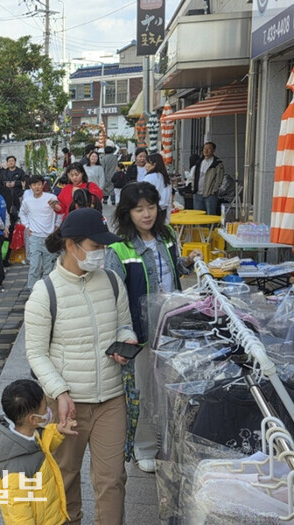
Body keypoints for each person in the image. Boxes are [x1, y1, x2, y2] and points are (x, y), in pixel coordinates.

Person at [25, 207, 137, 525]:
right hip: (67, 405)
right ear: (71, 245)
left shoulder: (112, 282)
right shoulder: (44, 293)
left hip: (111, 399)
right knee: (65, 477)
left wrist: (126, 341)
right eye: (95, 246)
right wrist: (60, 393)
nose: (102, 252)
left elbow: (124, 325)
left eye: (104, 246)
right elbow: (36, 353)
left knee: (112, 479)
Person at [105, 182, 201, 473]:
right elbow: (114, 295)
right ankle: (144, 447)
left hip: (172, 326)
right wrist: (122, 333)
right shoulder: (119, 248)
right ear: (127, 213)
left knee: (171, 389)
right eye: (139, 209)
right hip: (141, 334)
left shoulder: (166, 236)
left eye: (150, 207)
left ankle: (170, 444)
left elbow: (171, 270)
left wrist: (188, 262)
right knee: (144, 392)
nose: (146, 214)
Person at [0, 379, 77, 525]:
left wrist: (58, 430)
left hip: (53, 518)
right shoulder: (15, 471)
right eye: (45, 407)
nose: (48, 410)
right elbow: (20, 518)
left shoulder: (29, 436)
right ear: (33, 419)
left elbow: (44, 442)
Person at [18, 174, 59, 290]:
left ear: (43, 185)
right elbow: (22, 213)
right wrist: (27, 226)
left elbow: (60, 212)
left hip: (49, 237)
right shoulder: (27, 201)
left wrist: (56, 226)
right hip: (35, 237)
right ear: (30, 186)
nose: (37, 187)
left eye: (39, 184)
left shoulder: (51, 198)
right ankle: (33, 290)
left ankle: (47, 290)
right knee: (34, 266)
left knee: (49, 266)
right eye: (34, 185)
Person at [190, 142, 225, 216]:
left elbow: (219, 179)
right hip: (197, 194)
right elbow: (194, 177)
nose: (206, 150)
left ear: (213, 150)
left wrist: (214, 191)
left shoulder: (217, 164)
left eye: (209, 149)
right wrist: (193, 188)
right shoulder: (199, 162)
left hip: (210, 195)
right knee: (198, 216)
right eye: (204, 148)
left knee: (210, 215)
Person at [144, 153, 173, 222]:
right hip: (163, 211)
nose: (145, 166)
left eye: (147, 163)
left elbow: (144, 196)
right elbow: (169, 199)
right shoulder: (166, 178)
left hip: (152, 210)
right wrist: (168, 218)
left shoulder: (149, 177)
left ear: (154, 164)